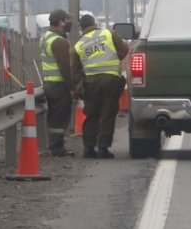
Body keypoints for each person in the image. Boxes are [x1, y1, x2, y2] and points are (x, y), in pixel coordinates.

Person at [74, 14, 130, 159]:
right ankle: (103, 148)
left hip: (90, 82)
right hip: (110, 80)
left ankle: (88, 148)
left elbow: (75, 70)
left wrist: (78, 89)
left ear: (81, 28)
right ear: (95, 23)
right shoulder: (108, 34)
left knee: (91, 114)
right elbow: (124, 50)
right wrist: (113, 60)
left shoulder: (78, 45)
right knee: (107, 113)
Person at [40, 9, 81, 157]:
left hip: (49, 83)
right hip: (59, 85)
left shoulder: (46, 37)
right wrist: (72, 87)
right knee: (60, 116)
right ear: (60, 22)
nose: (69, 23)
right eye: (66, 20)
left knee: (54, 116)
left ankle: (54, 145)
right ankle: (57, 148)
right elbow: (65, 67)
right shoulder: (59, 42)